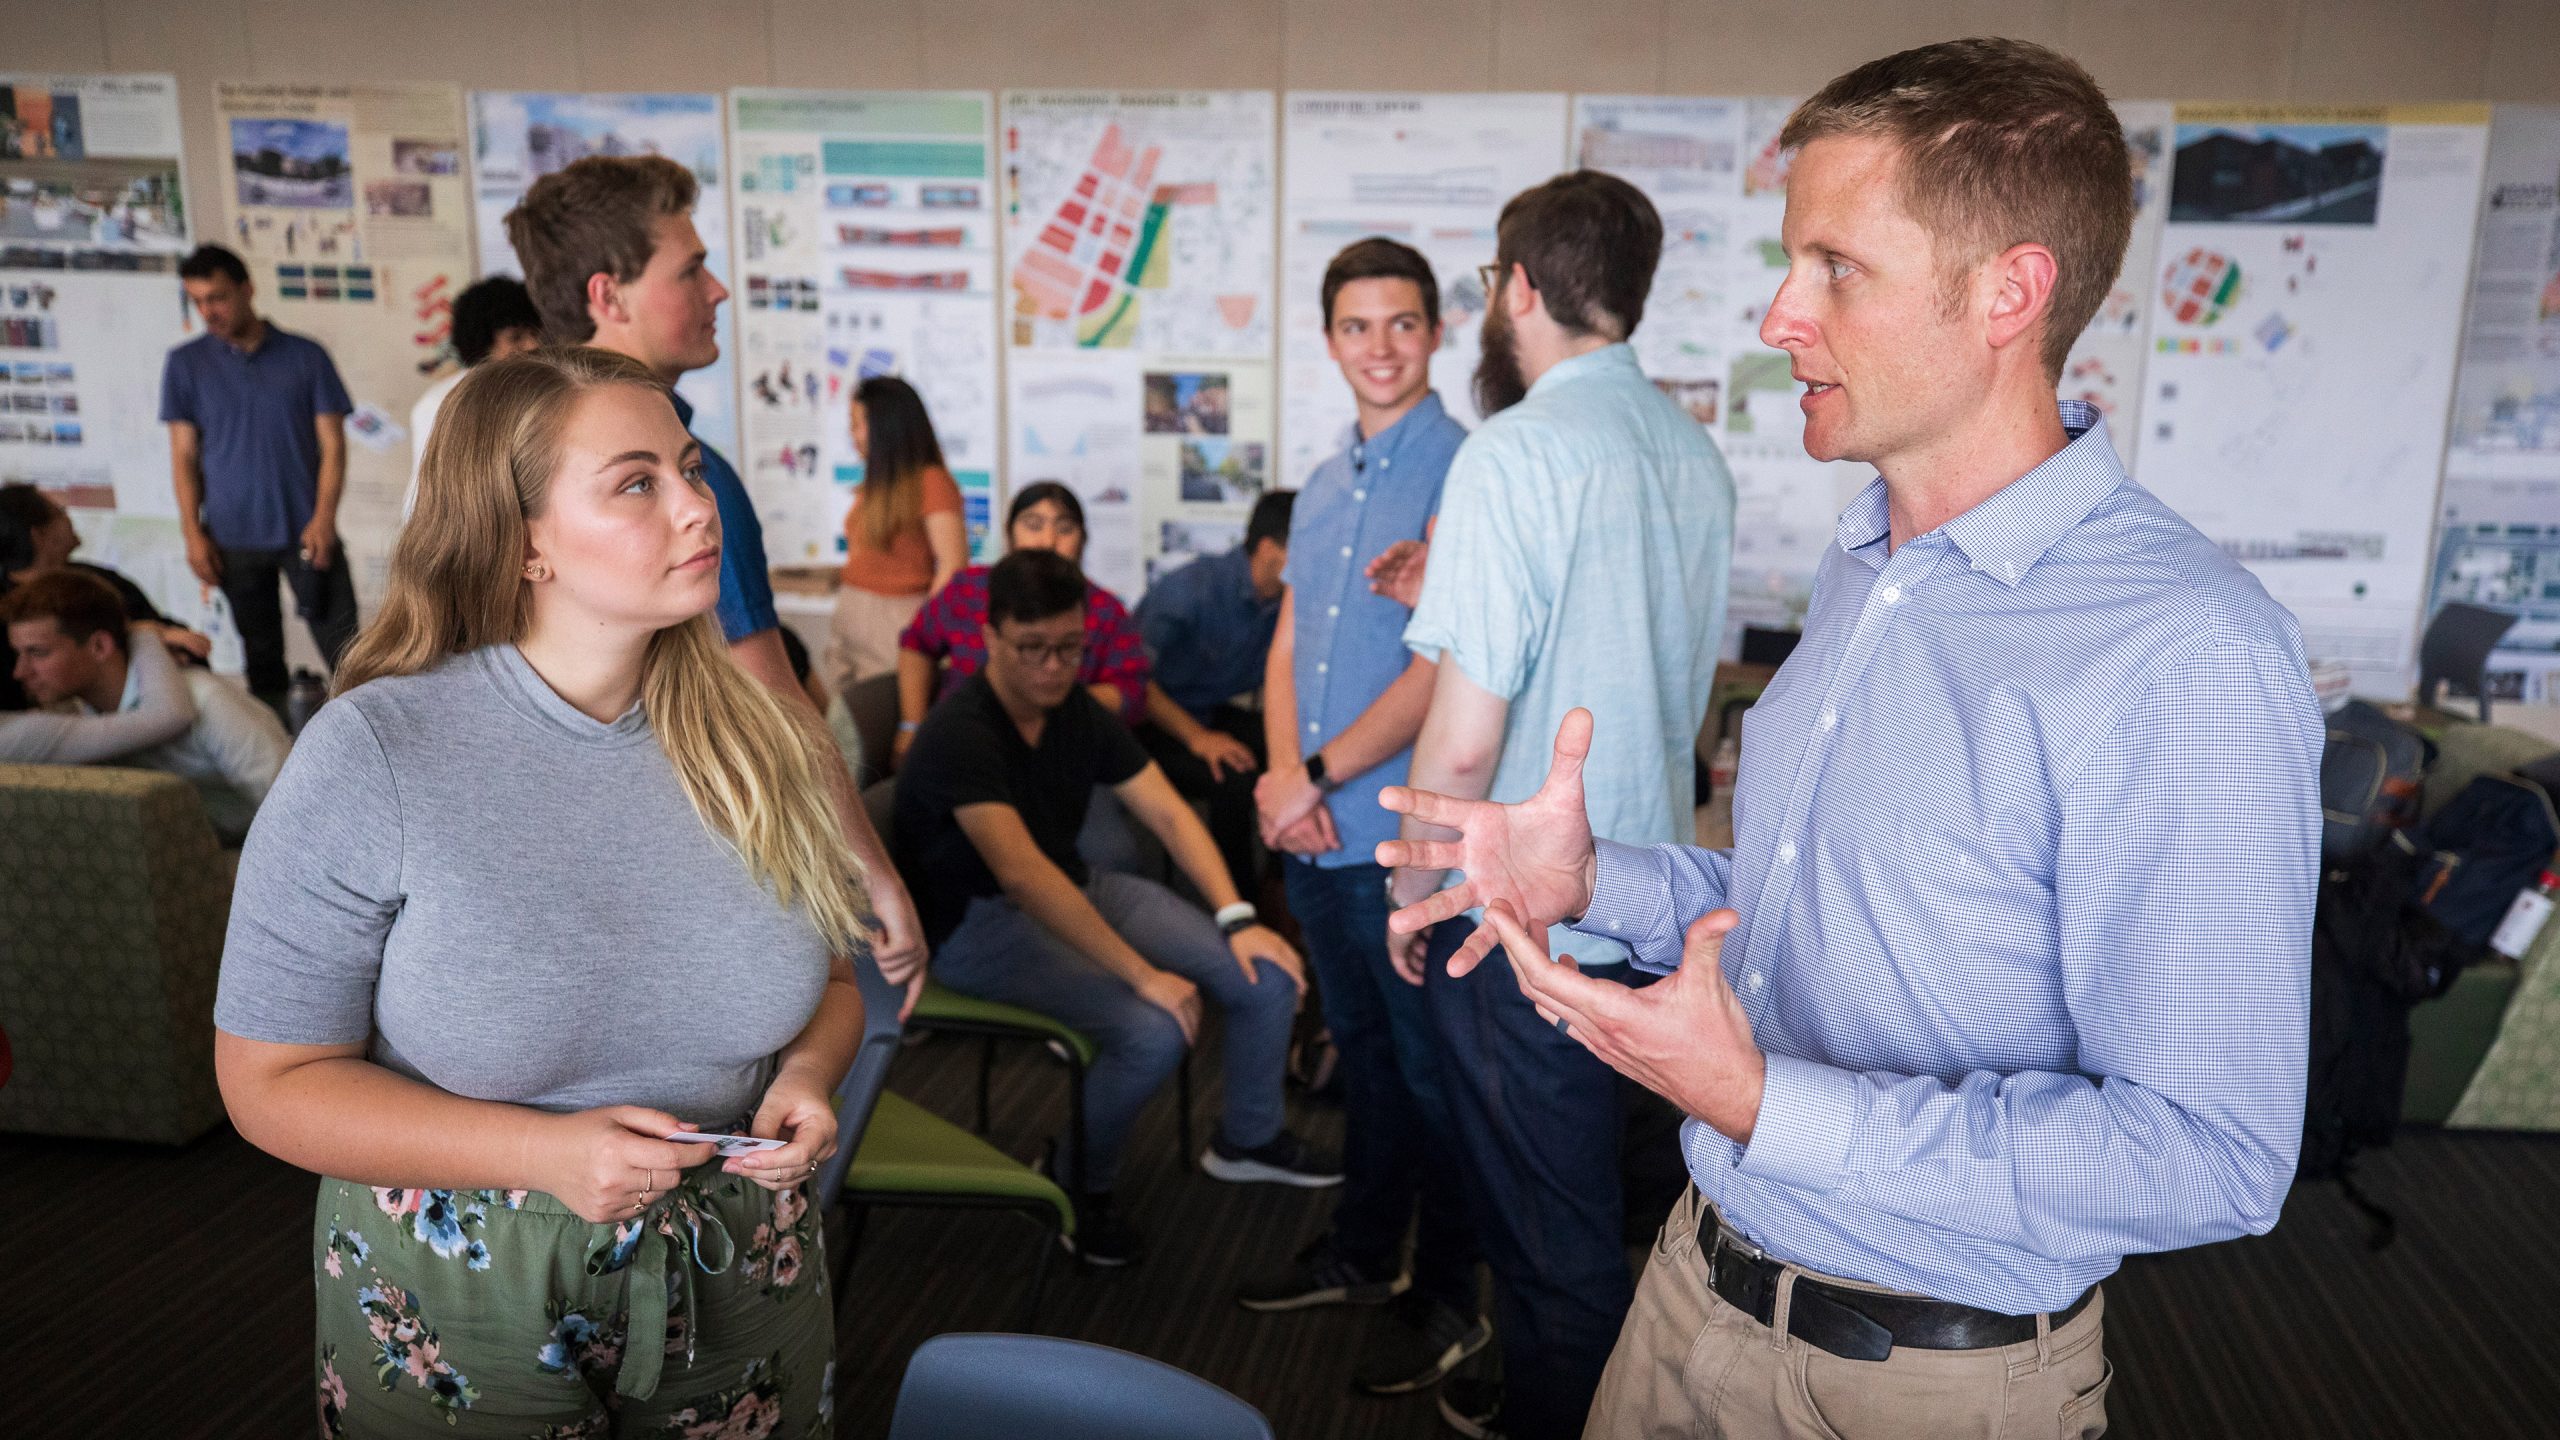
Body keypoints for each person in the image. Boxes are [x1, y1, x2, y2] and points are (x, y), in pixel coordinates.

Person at [1387, 40, 2325, 1440]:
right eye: (1789, 261)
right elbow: (1819, 916)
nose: (1779, 316)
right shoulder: (1868, 566)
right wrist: (1603, 885)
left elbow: (2210, 1155)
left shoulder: (2186, 648)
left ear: (2010, 291)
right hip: (1692, 1292)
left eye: (1836, 266)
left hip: (1923, 1384)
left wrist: (1766, 1103)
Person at [213, 347, 867, 1436]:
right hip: (461, 1278)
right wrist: (546, 1154)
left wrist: (806, 1073)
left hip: (741, 1253)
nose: (698, 508)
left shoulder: (768, 740)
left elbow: (832, 976)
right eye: (637, 482)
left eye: (691, 469)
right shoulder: (379, 751)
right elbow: (269, 1080)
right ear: (523, 543)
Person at [1383, 171, 1736, 1440]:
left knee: (1552, 1252)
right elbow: (1670, 678)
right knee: (1627, 1223)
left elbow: (1464, 745)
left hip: (1525, 921)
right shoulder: (1693, 451)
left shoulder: (1513, 452)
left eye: (1490, 282)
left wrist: (1411, 891)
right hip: (1656, 906)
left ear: (1518, 287)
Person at [507, 154, 927, 1010]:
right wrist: (874, 878)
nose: (719, 291)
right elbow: (771, 701)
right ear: (607, 296)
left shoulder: (504, 448)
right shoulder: (695, 485)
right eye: (690, 269)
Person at [895, 548, 1336, 1266]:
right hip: (979, 927)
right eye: (1032, 650)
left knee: (1269, 977)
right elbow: (1024, 876)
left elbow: (1167, 813)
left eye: (1069, 649)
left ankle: (1248, 1139)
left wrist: (1239, 919)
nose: (1052, 667)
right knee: (1154, 1027)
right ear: (990, 639)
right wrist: (1141, 974)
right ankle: (1073, 1183)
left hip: (1076, 886)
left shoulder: (1075, 712)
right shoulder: (960, 732)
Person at [1236, 236, 1489, 1395]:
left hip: (1400, 831)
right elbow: (1291, 640)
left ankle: (1448, 1292)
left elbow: (1448, 667)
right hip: (1318, 824)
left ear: (1436, 332)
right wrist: (1283, 774)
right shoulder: (1328, 479)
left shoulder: (1469, 470)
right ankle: (1360, 1253)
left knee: (1437, 1072)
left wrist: (1318, 770)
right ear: (1329, 339)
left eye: (1400, 324)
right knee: (1365, 1059)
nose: (1378, 347)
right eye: (1355, 327)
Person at [161, 243, 358, 710]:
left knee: (351, 656)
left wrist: (325, 518)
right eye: (199, 301)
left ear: (248, 290)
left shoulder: (306, 357)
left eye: (219, 298)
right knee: (262, 661)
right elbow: (183, 457)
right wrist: (192, 533)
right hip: (232, 537)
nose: (209, 311)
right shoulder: (186, 364)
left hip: (307, 531)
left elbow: (333, 445)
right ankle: (277, 766)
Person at [3, 570, 289, 842]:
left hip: (254, 856)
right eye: (19, 654)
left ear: (100, 647)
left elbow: (291, 808)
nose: (20, 671)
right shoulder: (68, 715)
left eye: (37, 653)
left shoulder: (206, 700)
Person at [894, 481, 1148, 766]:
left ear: (1082, 540)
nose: (1048, 540)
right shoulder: (968, 589)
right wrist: (911, 724)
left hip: (1064, 754)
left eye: (1064, 529)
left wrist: (1055, 700)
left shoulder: (1103, 608)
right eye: (1033, 525)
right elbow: (916, 643)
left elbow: (1133, 691)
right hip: (966, 746)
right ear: (1010, 533)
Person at [1131, 489, 1293, 895]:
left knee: (1294, 757)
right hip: (1149, 720)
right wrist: (1199, 739)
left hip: (1208, 709)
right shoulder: (1190, 591)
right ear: (1270, 549)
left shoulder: (1285, 603)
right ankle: (1240, 906)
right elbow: (1132, 681)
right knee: (1232, 779)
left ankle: (1280, 888)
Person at [1, 481, 212, 712]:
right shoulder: (8, 610)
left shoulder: (97, 580)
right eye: (60, 512)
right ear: (39, 535)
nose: (69, 517)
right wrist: (147, 636)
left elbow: (181, 639)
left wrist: (173, 645)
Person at [823, 375, 969, 692]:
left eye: (858, 424)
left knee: (882, 721)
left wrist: (922, 635)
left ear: (886, 427)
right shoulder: (876, 485)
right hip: (853, 617)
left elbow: (952, 567)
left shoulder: (932, 482)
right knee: (846, 724)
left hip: (895, 624)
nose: (853, 436)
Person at [404, 275, 544, 519]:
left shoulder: (538, 394)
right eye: (516, 337)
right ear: (482, 343)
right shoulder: (441, 402)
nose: (532, 345)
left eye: (534, 333)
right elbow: (422, 498)